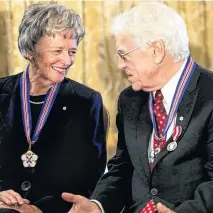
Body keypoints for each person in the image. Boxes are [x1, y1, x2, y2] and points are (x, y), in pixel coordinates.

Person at [61, 2, 213, 213]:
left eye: (124, 55)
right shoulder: (129, 100)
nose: (120, 65)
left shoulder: (209, 95)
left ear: (156, 50)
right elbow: (123, 168)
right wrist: (97, 206)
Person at [0, 2, 107, 213]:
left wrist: (41, 209)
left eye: (72, 52)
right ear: (29, 50)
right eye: (57, 51)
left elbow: (93, 175)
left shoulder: (86, 101)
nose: (67, 60)